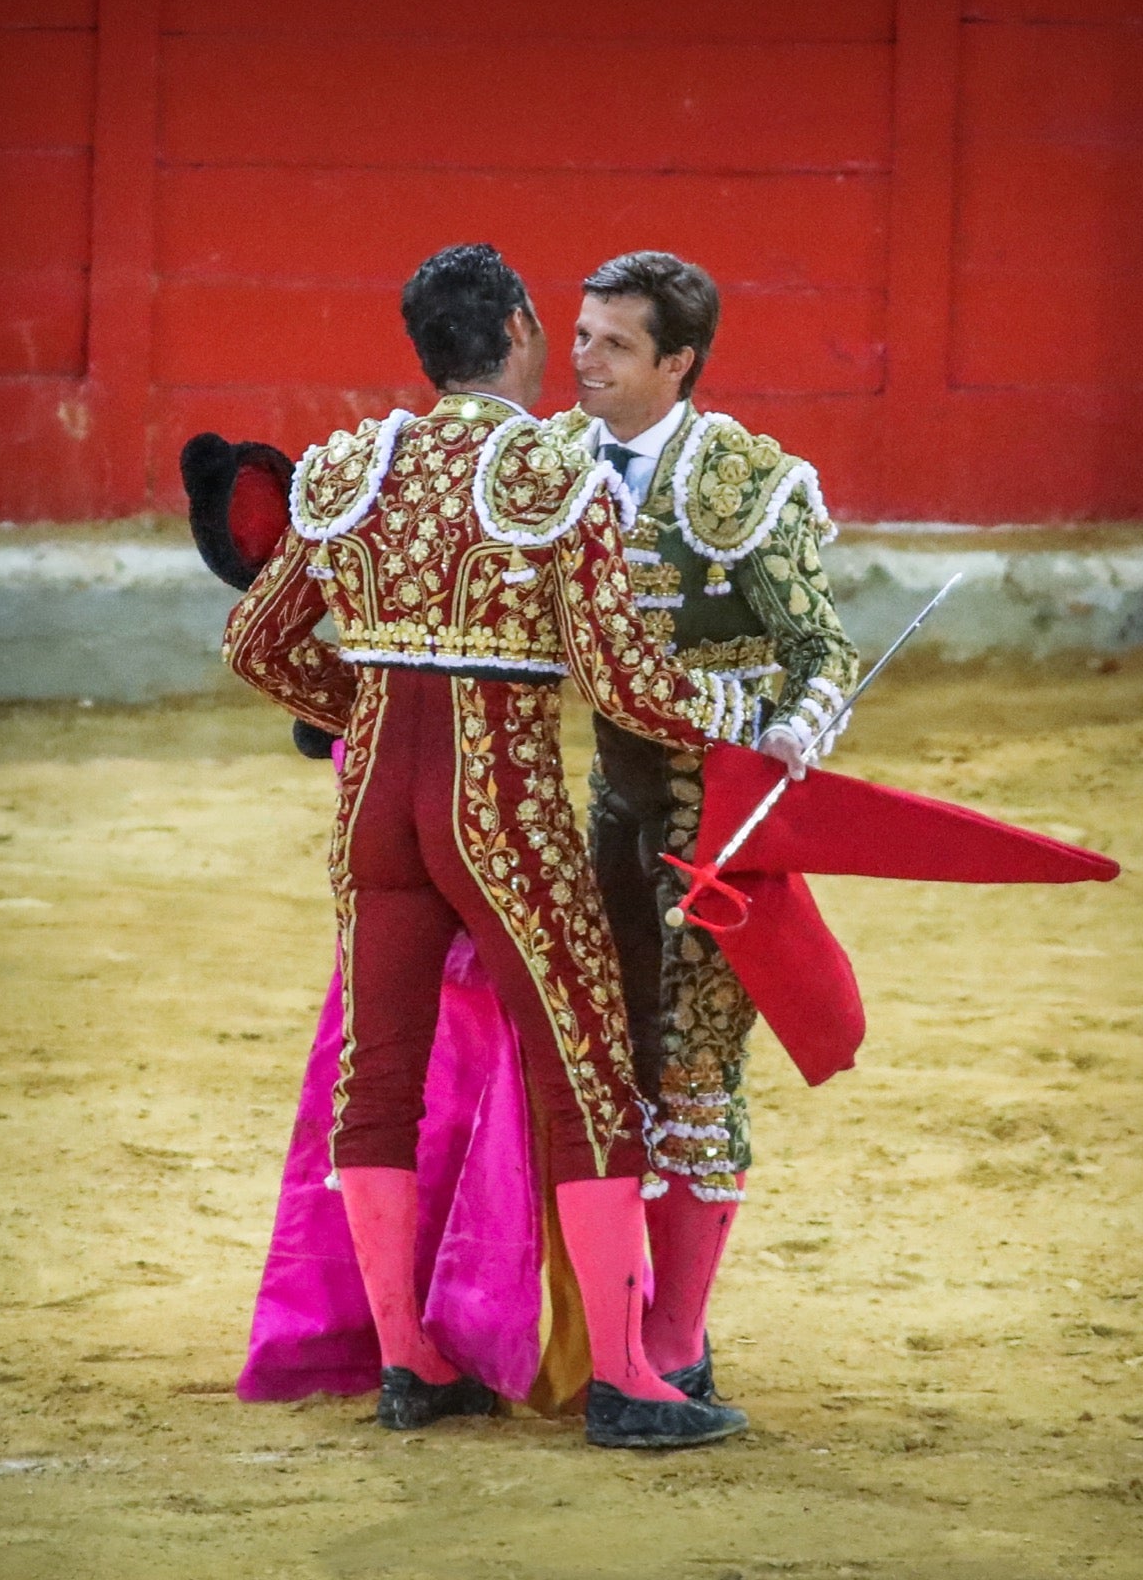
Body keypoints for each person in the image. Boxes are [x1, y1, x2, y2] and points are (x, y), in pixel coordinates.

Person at [220, 244, 749, 1449]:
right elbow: (625, 678)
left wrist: (362, 710)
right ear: (516, 326)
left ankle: (411, 1361)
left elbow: (256, 644)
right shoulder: (554, 469)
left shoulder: (357, 463)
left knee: (380, 1071)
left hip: (375, 811)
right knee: (585, 1060)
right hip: (496, 799)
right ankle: (624, 1377)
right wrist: (736, 718)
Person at [545, 251, 860, 1401]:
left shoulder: (741, 482)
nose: (579, 358)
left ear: (676, 363)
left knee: (691, 1069)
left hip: (713, 823)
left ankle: (673, 1335)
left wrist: (798, 729)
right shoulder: (547, 464)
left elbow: (822, 650)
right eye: (578, 335)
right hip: (605, 808)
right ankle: (618, 1327)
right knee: (605, 1063)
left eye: (611, 343)